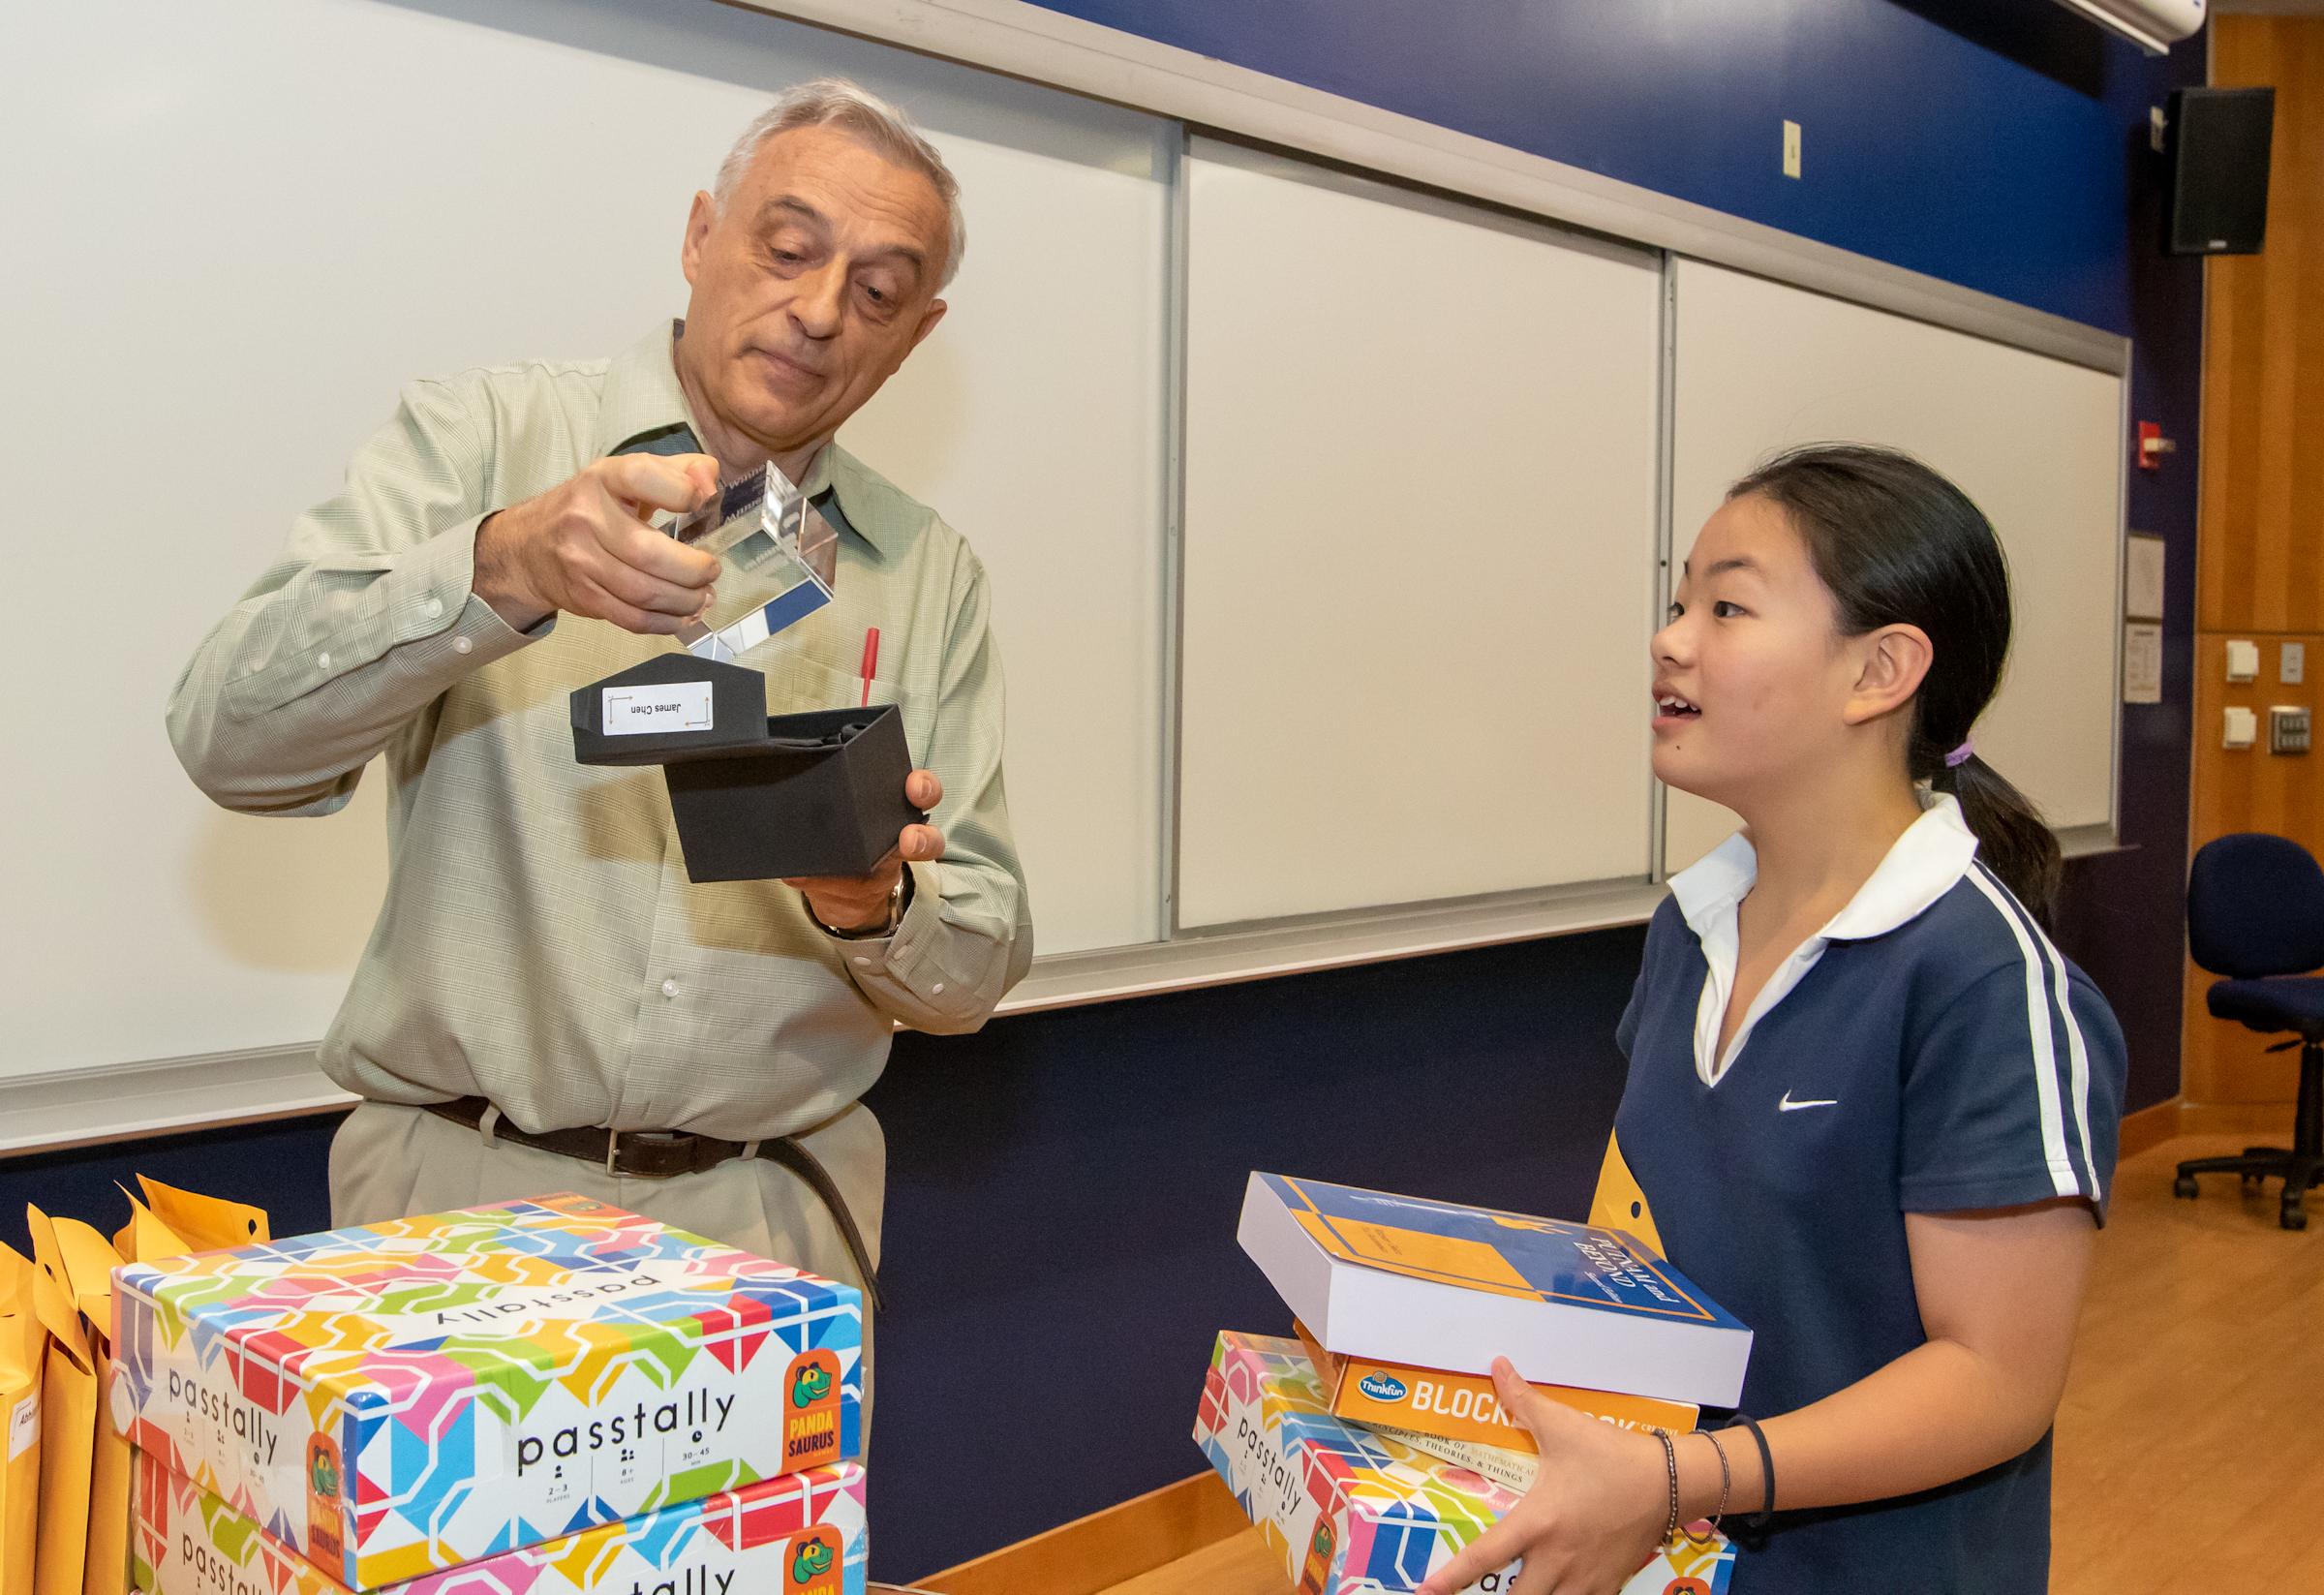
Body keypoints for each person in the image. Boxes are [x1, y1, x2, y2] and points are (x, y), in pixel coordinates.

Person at [166, 78, 1031, 1344]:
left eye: (880, 292)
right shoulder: (485, 439)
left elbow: (977, 964)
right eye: (786, 249)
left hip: (773, 1228)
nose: (819, 309)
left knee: (744, 1557)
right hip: (455, 1208)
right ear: (700, 235)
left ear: (916, 333)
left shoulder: (928, 571)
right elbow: (227, 737)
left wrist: (876, 904)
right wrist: (500, 566)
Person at [1421, 445, 2125, 1594]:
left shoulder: (1985, 982)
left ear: (1881, 670)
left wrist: (1679, 1478)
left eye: (1729, 605)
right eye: (1677, 600)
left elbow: (1996, 1380)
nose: (1671, 639)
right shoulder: (1688, 927)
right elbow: (1637, 1236)